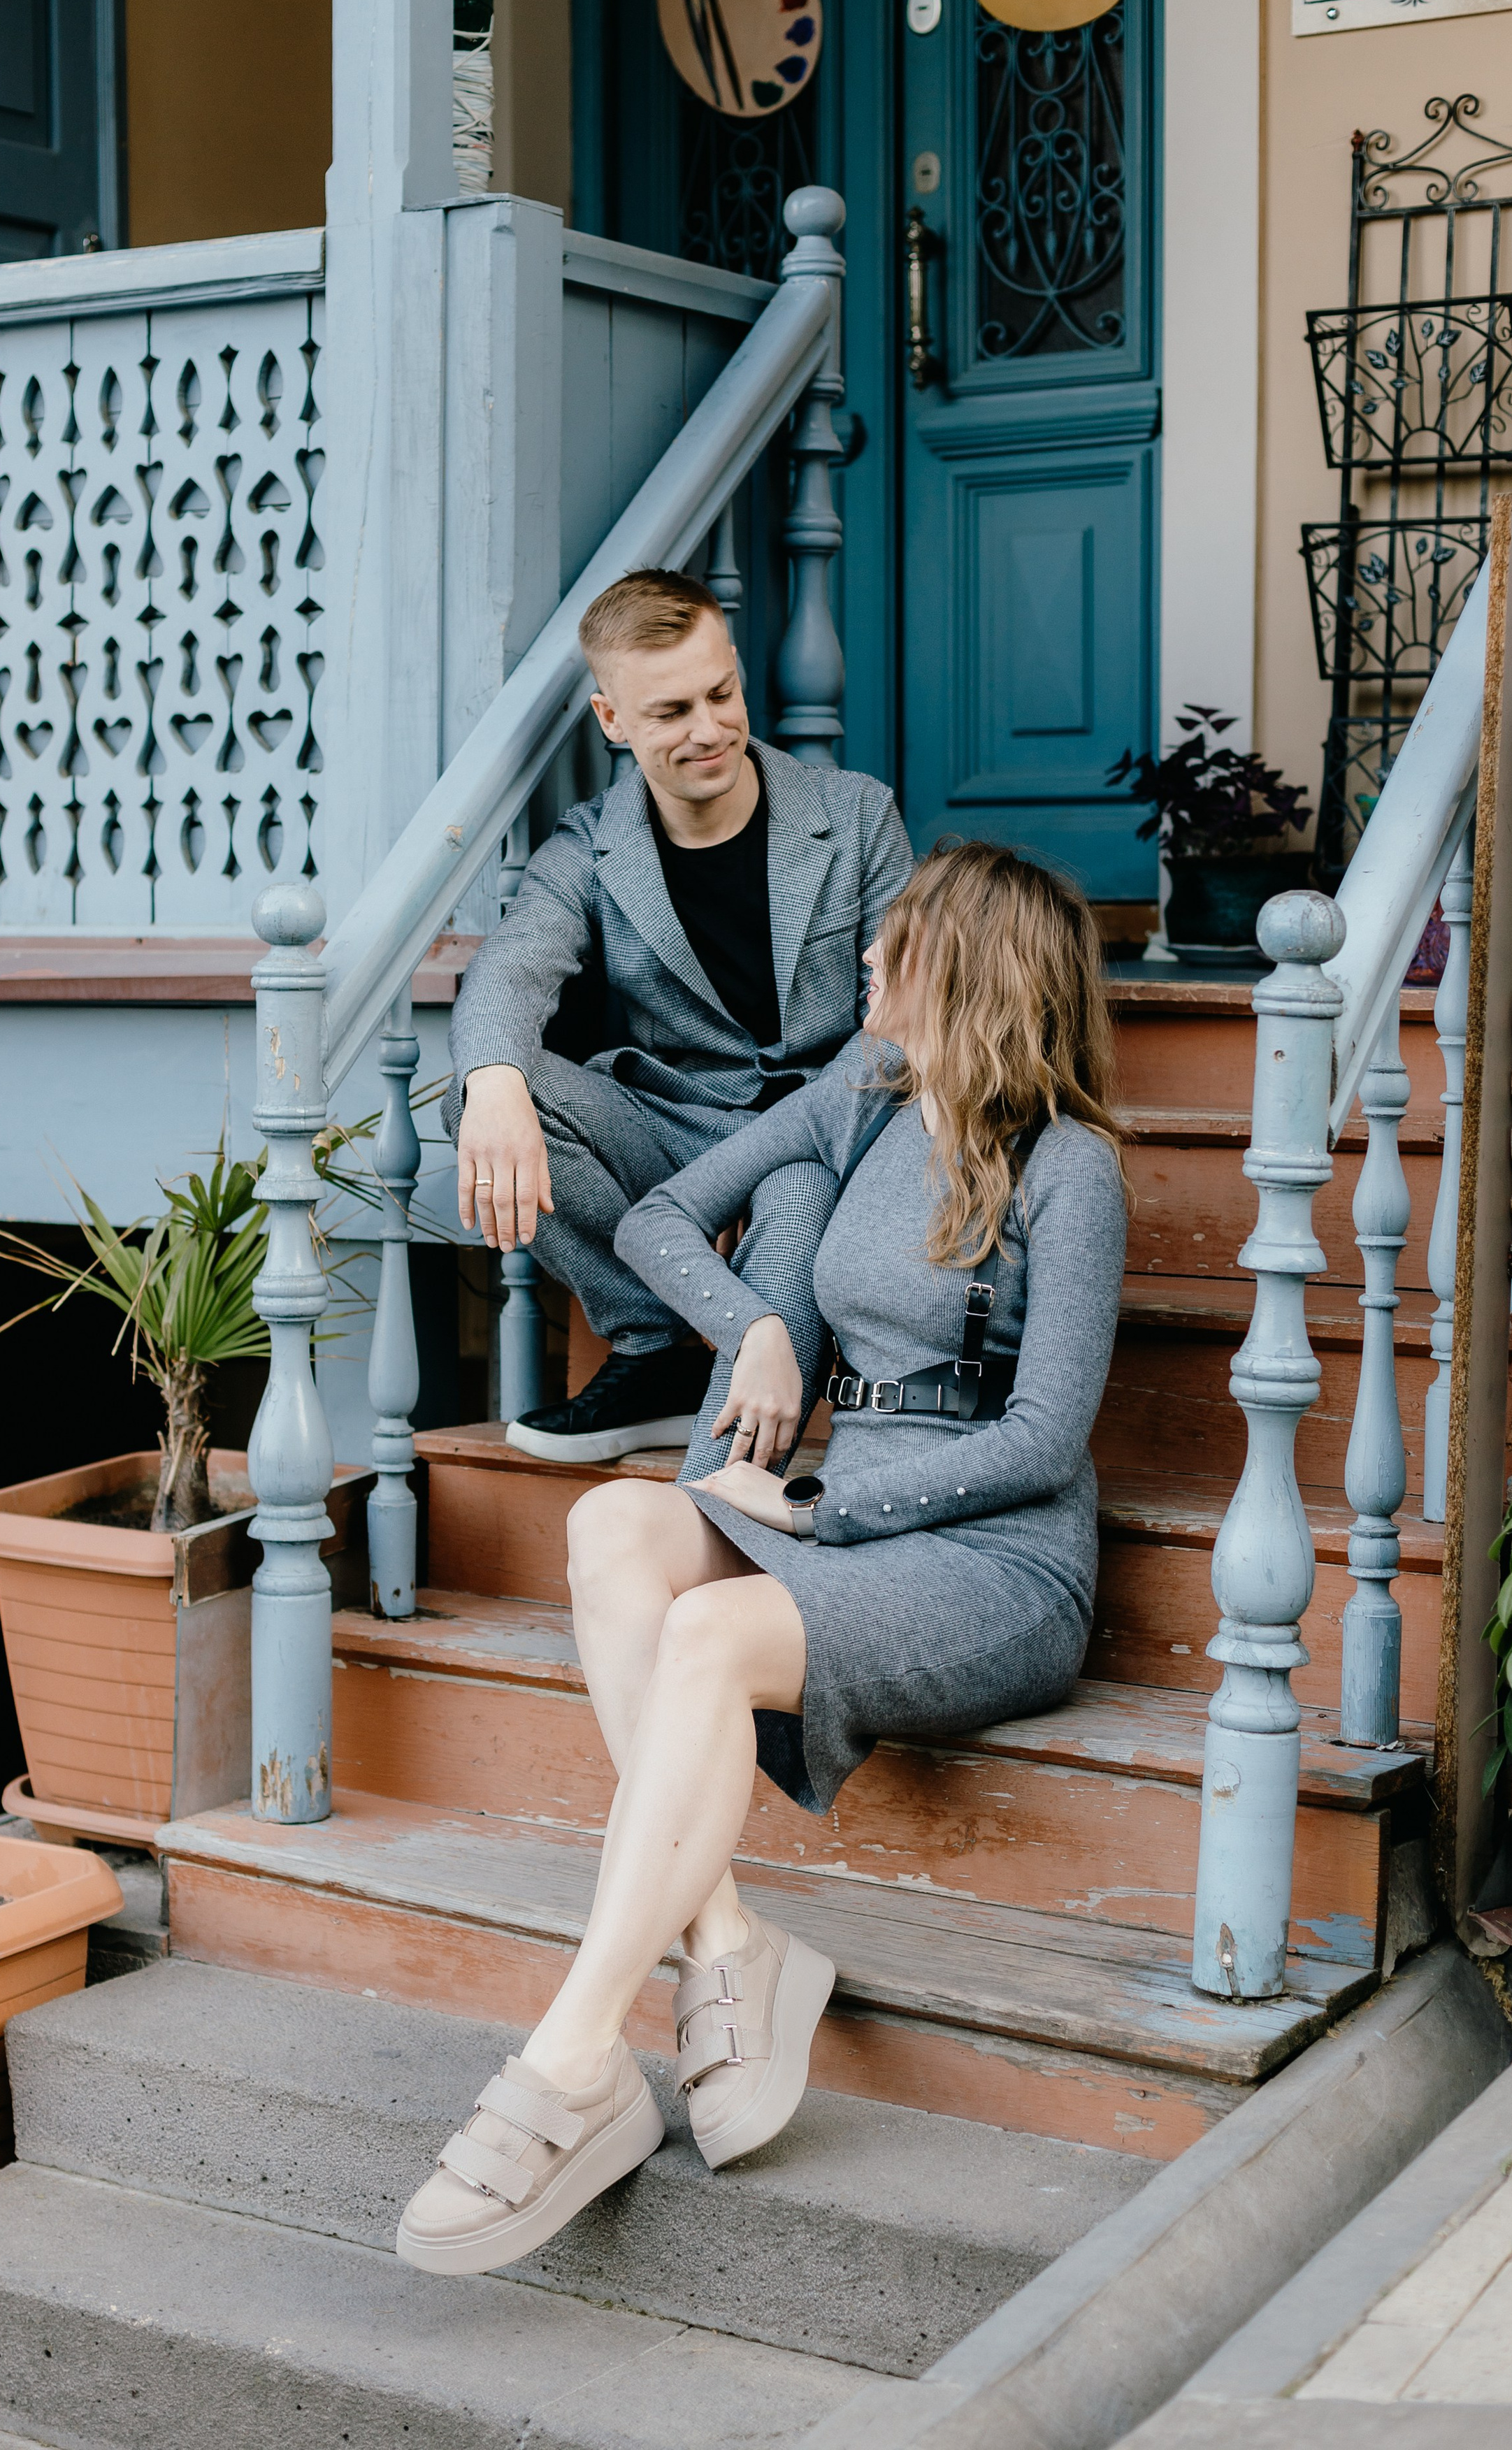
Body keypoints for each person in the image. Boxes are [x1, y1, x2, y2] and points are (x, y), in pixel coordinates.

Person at [397, 839, 1131, 2276]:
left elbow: (1045, 1440)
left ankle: (573, 2059)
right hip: (845, 1514)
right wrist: (759, 1330)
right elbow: (663, 1214)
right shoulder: (867, 1096)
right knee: (610, 1523)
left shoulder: (1071, 1170)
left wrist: (819, 1511)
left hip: (994, 1562)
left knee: (707, 1634)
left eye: (896, 941)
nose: (866, 957)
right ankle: (726, 1942)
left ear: (967, 971)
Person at [446, 565, 912, 1463]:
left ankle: (720, 1491)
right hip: (670, 1126)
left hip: (819, 1129)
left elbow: (905, 1023)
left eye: (720, 694)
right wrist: (494, 1081)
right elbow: (513, 965)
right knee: (484, 1093)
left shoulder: (856, 816)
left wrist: (770, 1148)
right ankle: (653, 1342)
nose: (709, 730)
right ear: (612, 720)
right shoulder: (590, 845)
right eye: (670, 712)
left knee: (794, 1199)